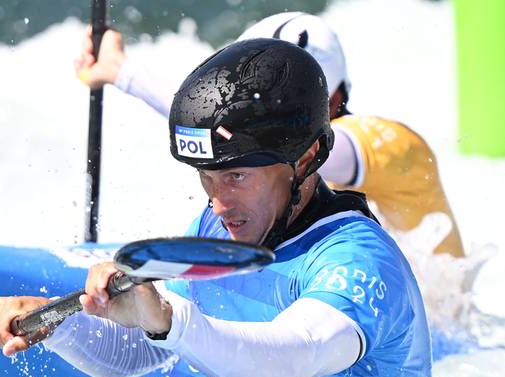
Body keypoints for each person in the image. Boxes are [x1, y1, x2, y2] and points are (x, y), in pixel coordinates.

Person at [0, 39, 431, 377]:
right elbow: (141, 353)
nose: (219, 204)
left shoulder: (358, 259)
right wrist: (57, 325)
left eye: (237, 176)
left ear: (305, 158)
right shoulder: (216, 227)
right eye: (207, 177)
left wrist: (167, 317)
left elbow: (289, 362)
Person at [75, 12, 466, 258]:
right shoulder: (280, 163)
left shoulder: (387, 144)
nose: (259, 115)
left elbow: (239, 133)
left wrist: (125, 73)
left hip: (438, 328)